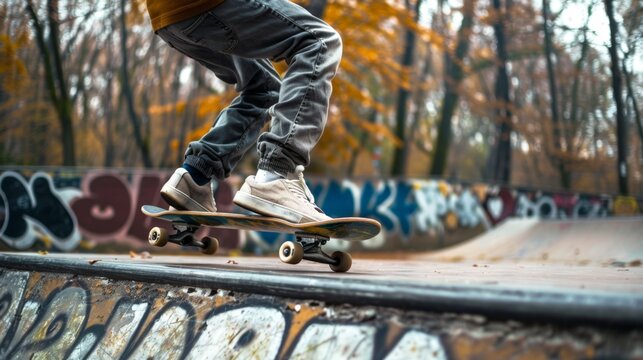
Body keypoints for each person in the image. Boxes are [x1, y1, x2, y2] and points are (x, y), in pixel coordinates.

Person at [145, 0, 342, 223]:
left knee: (265, 89)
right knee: (320, 42)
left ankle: (196, 176)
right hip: (208, 5)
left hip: (167, 16)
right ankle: (277, 175)